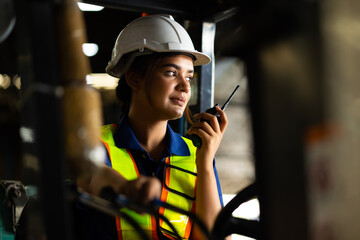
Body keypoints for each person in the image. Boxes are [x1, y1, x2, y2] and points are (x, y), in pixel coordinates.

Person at [76, 14, 228, 240]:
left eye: (189, 76)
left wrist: (205, 165)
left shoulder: (198, 155)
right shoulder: (96, 144)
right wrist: (126, 188)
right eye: (171, 73)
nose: (185, 87)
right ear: (134, 78)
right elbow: (92, 176)